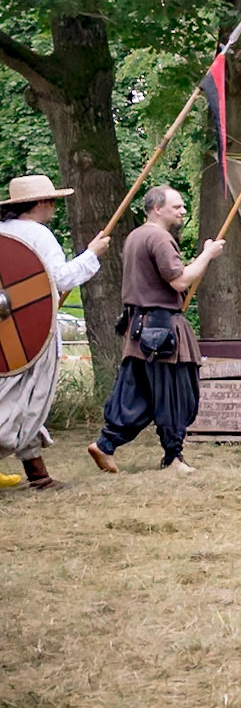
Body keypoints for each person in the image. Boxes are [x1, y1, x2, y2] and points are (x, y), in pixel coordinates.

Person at [86, 186, 223, 476]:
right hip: (161, 331)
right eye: (177, 207)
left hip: (140, 329)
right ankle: (173, 458)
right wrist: (207, 254)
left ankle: (106, 444)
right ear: (157, 208)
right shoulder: (159, 238)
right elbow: (180, 281)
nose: (183, 211)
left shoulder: (136, 235)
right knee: (174, 392)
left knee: (139, 394)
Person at [0, 174, 110, 490]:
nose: (53, 208)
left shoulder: (2, 232)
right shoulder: (38, 234)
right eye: (52, 202)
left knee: (17, 400)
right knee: (25, 401)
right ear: (43, 203)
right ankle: (38, 475)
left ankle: (39, 476)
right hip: (29, 335)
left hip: (7, 333)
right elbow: (60, 279)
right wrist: (92, 254)